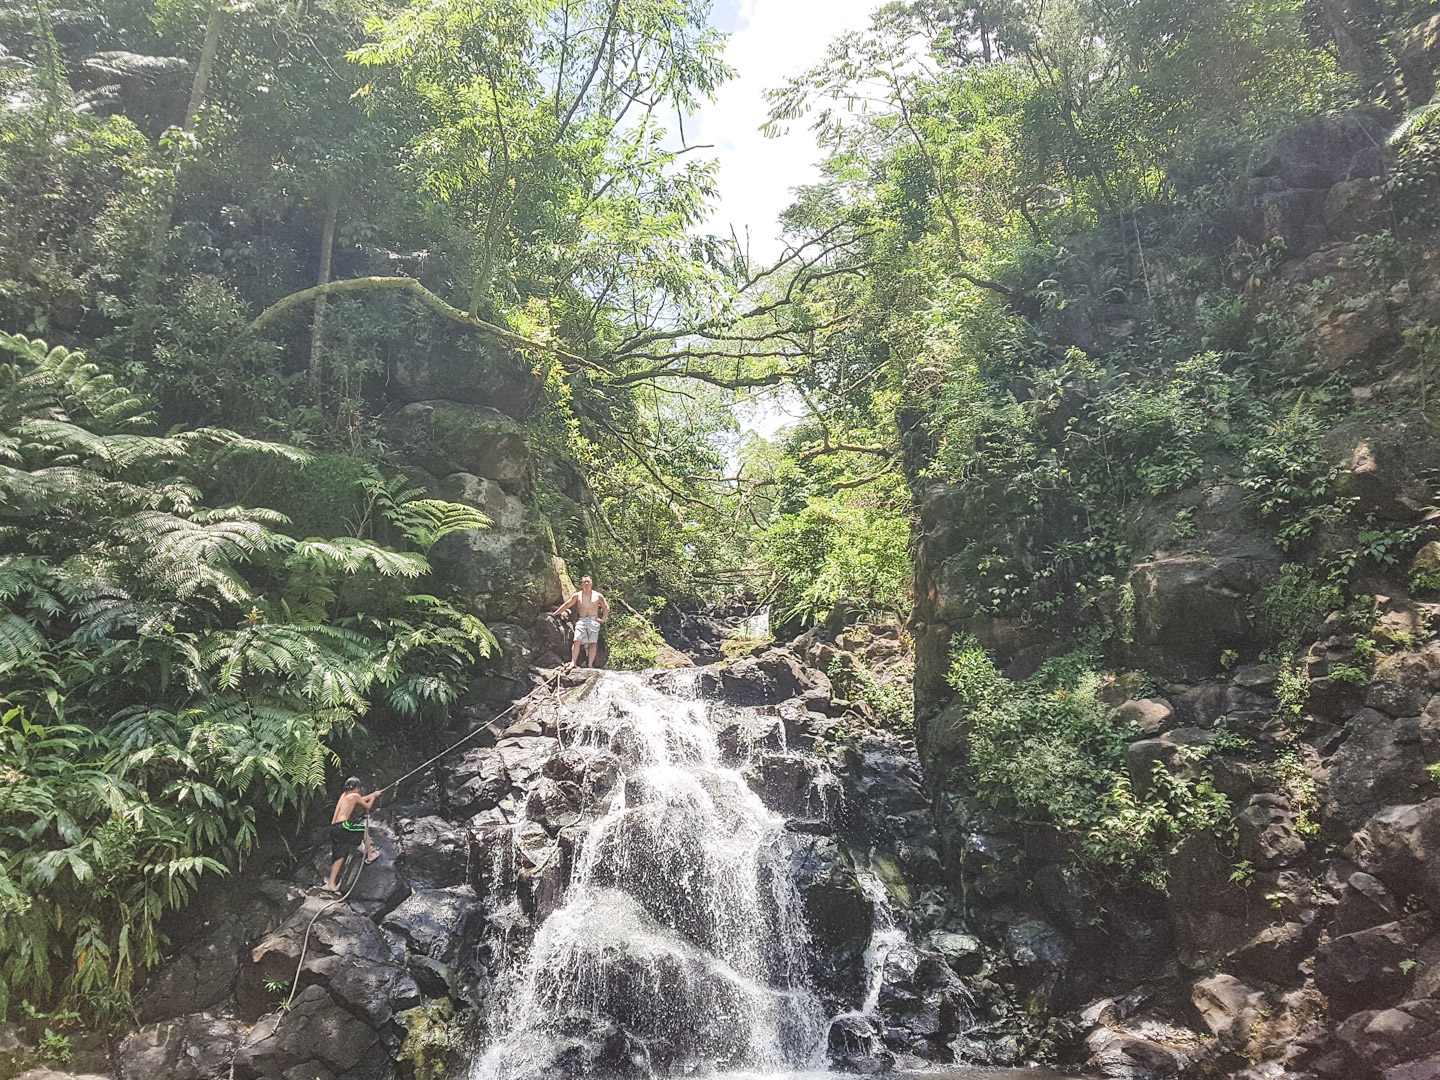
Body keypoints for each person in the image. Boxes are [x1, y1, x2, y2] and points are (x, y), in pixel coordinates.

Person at [322, 777, 381, 893]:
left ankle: (331, 883)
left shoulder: (344, 795)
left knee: (340, 856)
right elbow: (367, 806)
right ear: (357, 788)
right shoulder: (355, 796)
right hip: (343, 826)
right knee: (364, 830)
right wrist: (373, 797)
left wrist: (372, 794)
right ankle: (370, 856)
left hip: (334, 828)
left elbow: (359, 799)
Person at [549, 574, 611, 670]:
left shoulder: (598, 596)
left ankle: (590, 664)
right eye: (584, 582)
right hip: (582, 620)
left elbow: (606, 608)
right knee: (576, 640)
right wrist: (555, 613)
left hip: (593, 620)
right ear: (581, 584)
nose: (586, 584)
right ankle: (573, 662)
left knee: (592, 643)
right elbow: (566, 605)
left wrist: (603, 619)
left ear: (591, 583)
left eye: (588, 582)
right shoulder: (577, 595)